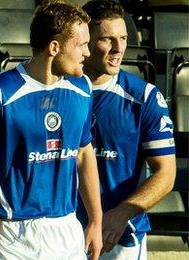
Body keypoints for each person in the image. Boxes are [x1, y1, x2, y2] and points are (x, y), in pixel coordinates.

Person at [0, 1, 103, 259]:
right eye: (81, 45)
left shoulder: (82, 89)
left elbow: (83, 154)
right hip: (10, 234)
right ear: (54, 47)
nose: (87, 53)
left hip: (67, 229)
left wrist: (96, 220)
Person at [79, 1, 177, 258]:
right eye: (107, 39)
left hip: (119, 237)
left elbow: (166, 173)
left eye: (122, 38)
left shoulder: (143, 97)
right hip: (62, 232)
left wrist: (122, 213)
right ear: (85, 41)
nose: (119, 48)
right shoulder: (57, 93)